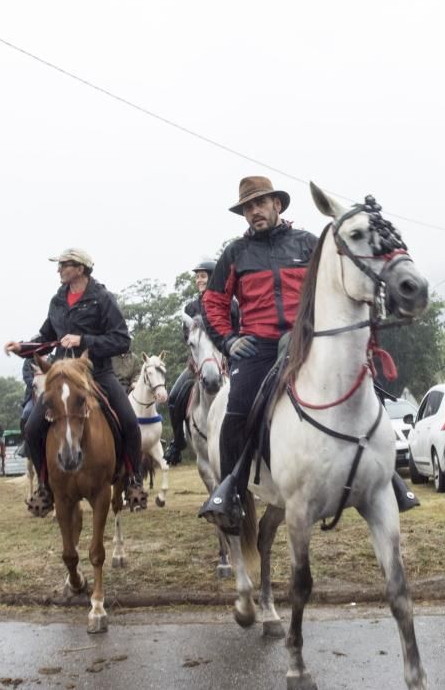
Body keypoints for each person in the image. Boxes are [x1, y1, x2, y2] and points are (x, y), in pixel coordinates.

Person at [198, 176, 419, 534]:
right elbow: (214, 302)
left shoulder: (307, 243)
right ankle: (231, 493)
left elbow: (337, 281)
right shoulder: (235, 253)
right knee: (237, 407)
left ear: (277, 205)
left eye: (260, 203)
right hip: (260, 346)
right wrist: (228, 340)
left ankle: (387, 475)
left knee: (364, 389)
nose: (254, 211)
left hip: (309, 339)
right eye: (247, 207)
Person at [4, 248, 147, 516]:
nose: (59, 270)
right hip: (62, 375)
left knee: (129, 421)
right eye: (59, 266)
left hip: (98, 373)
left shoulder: (102, 298)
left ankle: (134, 481)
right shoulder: (57, 301)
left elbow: (121, 340)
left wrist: (84, 340)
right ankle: (45, 488)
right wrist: (21, 346)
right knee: (33, 427)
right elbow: (46, 336)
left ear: (80, 268)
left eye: (64, 265)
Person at [163, 260, 218, 465]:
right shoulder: (191, 307)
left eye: (202, 276)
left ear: (212, 277)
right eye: (197, 277)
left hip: (225, 361)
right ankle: (177, 443)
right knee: (174, 397)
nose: (198, 280)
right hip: (196, 365)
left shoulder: (228, 303)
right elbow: (186, 338)